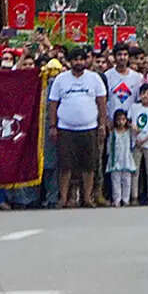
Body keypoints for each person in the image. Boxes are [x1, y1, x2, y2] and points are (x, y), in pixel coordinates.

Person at [47, 48, 107, 208]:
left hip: (89, 128)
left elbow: (101, 103)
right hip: (65, 128)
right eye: (75, 60)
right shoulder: (60, 79)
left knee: (89, 165)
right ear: (69, 61)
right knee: (65, 165)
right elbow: (53, 104)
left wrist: (102, 124)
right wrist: (52, 125)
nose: (78, 62)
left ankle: (87, 198)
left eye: (81, 59)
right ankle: (64, 198)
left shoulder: (94, 79)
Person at [105, 109, 137, 207]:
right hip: (115, 160)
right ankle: (117, 200)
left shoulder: (128, 132)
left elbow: (135, 137)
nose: (121, 122)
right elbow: (109, 145)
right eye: (118, 120)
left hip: (126, 159)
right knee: (116, 181)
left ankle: (126, 199)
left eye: (123, 119)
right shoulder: (113, 132)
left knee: (127, 181)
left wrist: (133, 128)